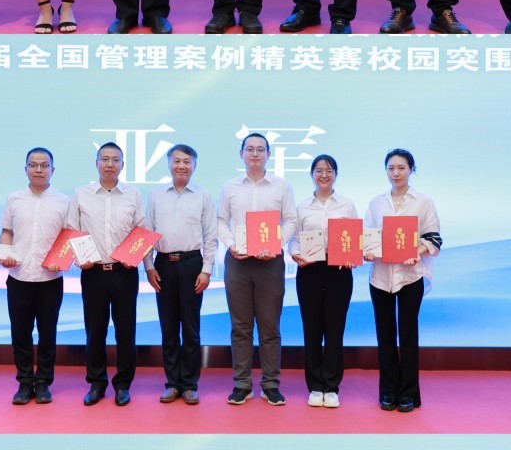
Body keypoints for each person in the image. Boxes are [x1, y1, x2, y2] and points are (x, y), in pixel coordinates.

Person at [218, 132, 297, 406]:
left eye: (260, 149)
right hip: (238, 262)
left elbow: (291, 220)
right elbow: (220, 221)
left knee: (269, 326)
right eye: (249, 149)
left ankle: (271, 384)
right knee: (240, 326)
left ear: (268, 155)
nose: (255, 154)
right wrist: (231, 245)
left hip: (270, 263)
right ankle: (242, 384)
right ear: (241, 154)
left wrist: (276, 244)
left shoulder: (281, 186)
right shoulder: (230, 187)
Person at [364, 148, 442, 413]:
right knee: (385, 336)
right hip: (380, 277)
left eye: (401, 168)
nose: (395, 173)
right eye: (391, 168)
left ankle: (408, 394)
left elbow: (434, 238)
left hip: (410, 276)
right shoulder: (376, 203)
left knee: (408, 335)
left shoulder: (423, 202)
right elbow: (367, 236)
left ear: (411, 170)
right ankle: (388, 392)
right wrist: (367, 251)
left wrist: (415, 252)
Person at [69, 141, 145, 407]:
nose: (110, 164)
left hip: (125, 272)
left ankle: (123, 385)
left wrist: (137, 258)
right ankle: (96, 383)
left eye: (115, 160)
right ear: (97, 163)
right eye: (105, 159)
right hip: (94, 273)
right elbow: (72, 230)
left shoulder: (133, 194)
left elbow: (141, 231)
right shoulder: (81, 194)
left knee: (126, 331)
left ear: (122, 165)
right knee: (95, 330)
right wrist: (81, 257)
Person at [0, 147, 71, 405]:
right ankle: (25, 382)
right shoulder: (14, 198)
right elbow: (7, 231)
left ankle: (44, 382)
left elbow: (68, 237)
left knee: (48, 334)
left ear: (53, 170)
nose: (39, 169)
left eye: (44, 165)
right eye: (34, 165)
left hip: (50, 280)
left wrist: (62, 260)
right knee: (21, 333)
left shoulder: (63, 201)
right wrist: (5, 254)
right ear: (26, 169)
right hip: (19, 277)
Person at [144, 143, 218, 405]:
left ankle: (189, 384)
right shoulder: (155, 196)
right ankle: (172, 383)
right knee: (168, 327)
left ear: (194, 166)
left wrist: (206, 270)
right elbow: (147, 233)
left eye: (187, 162)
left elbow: (211, 236)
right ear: (169, 164)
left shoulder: (203, 196)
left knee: (191, 327)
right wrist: (149, 266)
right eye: (176, 161)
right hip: (163, 264)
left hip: (192, 264)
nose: (181, 166)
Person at [290, 154, 358, 408]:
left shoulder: (347, 205)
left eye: (329, 170)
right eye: (319, 170)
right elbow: (294, 239)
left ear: (336, 175)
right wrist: (295, 254)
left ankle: (331, 386)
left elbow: (355, 238)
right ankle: (315, 386)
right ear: (311, 175)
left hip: (339, 270)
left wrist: (352, 256)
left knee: (334, 329)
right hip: (309, 269)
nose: (324, 175)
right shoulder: (302, 207)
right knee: (311, 329)